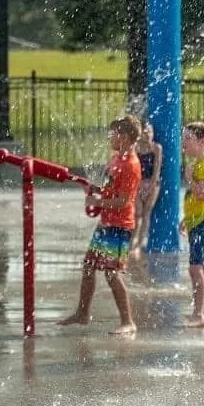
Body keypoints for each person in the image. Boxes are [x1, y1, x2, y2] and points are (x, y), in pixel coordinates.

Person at [59, 114, 142, 336]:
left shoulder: (131, 165)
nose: (109, 138)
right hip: (106, 223)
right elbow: (108, 189)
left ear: (124, 137)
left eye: (112, 134)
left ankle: (128, 321)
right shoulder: (115, 159)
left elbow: (124, 201)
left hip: (119, 226)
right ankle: (82, 313)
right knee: (88, 267)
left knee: (112, 273)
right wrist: (93, 189)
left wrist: (99, 201)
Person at [181, 122, 204, 328]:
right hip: (199, 222)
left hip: (203, 224)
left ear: (202, 141)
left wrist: (189, 179)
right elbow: (196, 202)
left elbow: (202, 195)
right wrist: (186, 219)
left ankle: (199, 314)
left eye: (187, 139)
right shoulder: (200, 164)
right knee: (203, 269)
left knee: (195, 269)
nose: (183, 143)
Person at [128, 120, 164, 260]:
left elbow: (157, 168)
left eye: (150, 131)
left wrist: (151, 186)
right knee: (137, 213)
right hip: (137, 183)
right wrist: (138, 187)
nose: (148, 134)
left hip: (153, 183)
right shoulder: (136, 148)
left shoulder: (157, 148)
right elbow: (134, 170)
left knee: (146, 212)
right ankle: (132, 241)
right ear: (140, 134)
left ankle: (139, 244)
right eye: (145, 132)